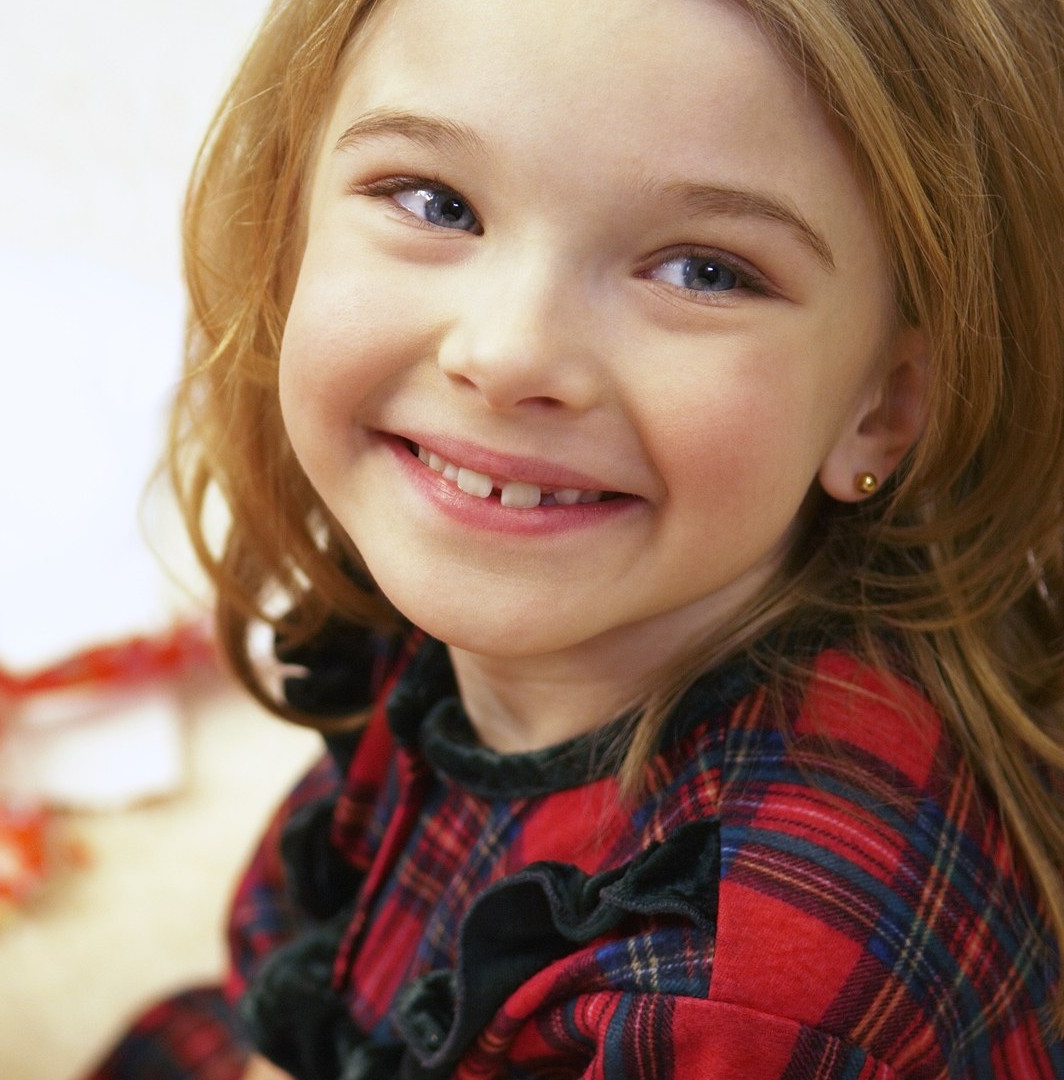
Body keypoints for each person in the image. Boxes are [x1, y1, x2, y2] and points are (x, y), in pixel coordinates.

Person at [83, 0, 1064, 1076]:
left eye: (703, 271)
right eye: (436, 203)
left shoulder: (751, 984)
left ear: (881, 404)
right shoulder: (506, 553)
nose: (506, 354)